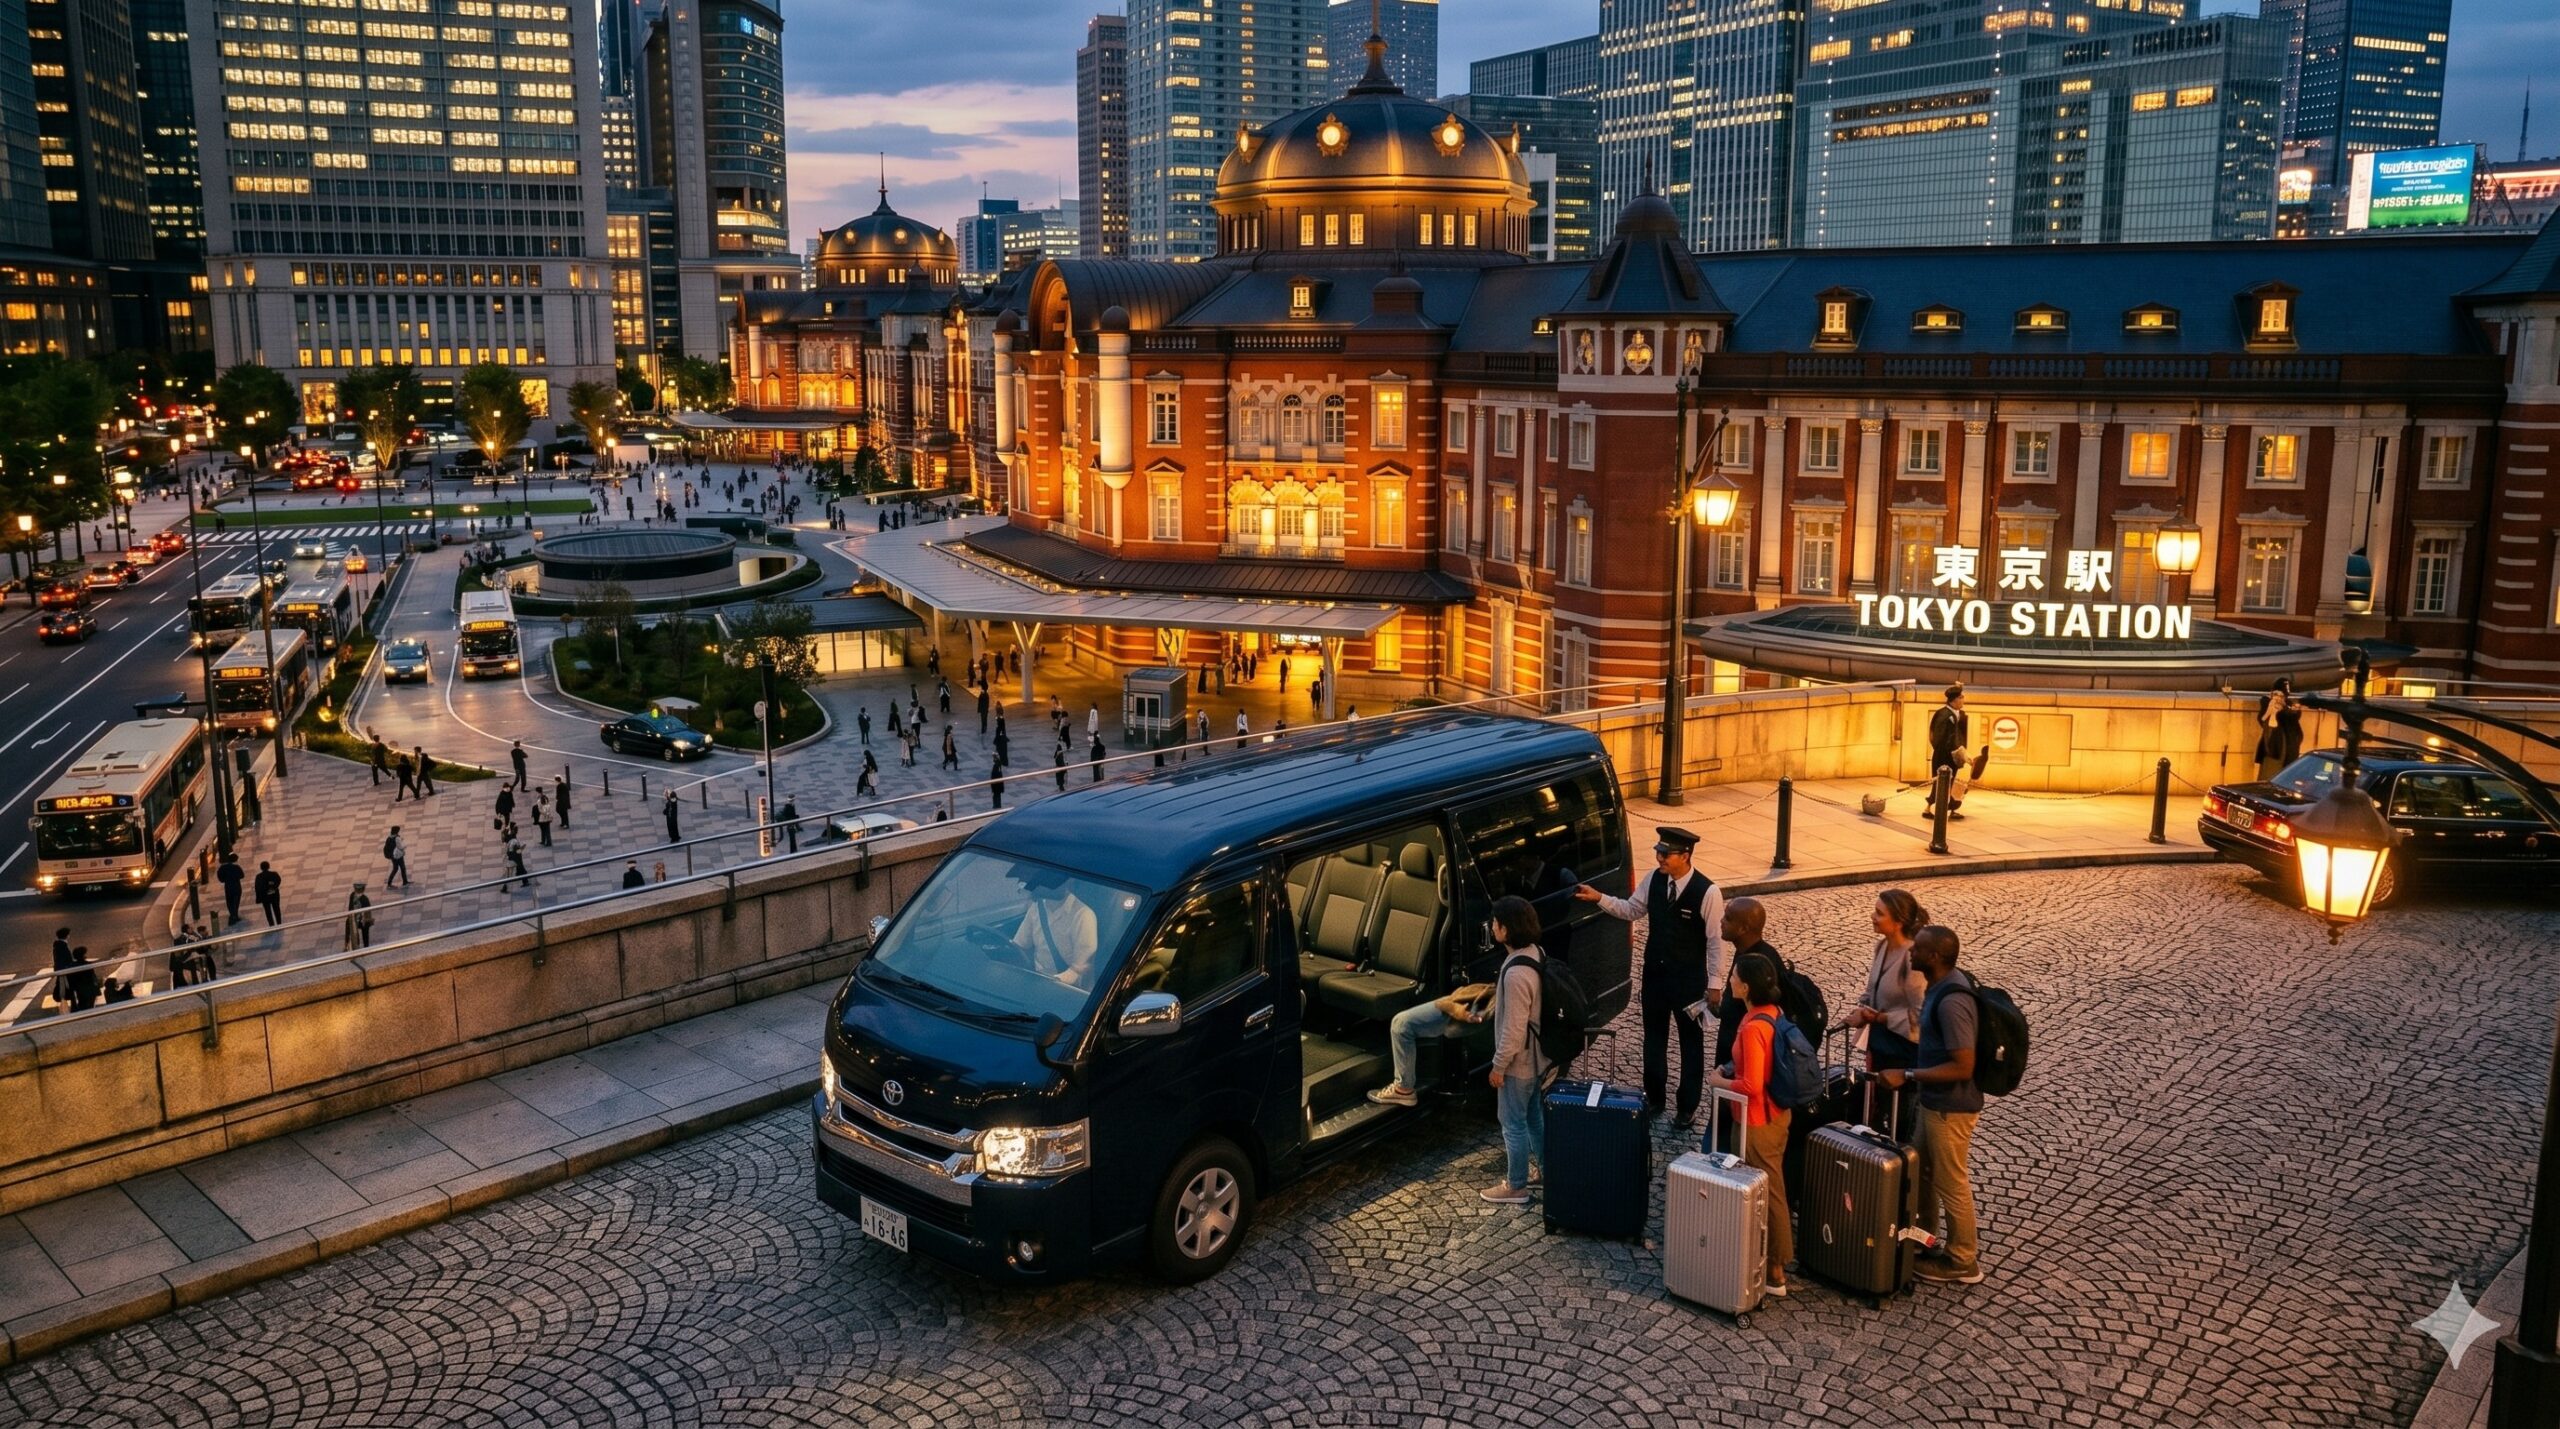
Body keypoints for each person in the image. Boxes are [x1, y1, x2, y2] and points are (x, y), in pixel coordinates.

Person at [1575, 827, 1724, 1128]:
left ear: (1685, 855)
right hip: (1655, 977)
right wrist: (1599, 898)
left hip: (1688, 982)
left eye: (1665, 854)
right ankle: (1655, 1097)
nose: (1659, 858)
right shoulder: (1654, 880)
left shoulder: (1708, 892)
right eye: (1658, 852)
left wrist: (1715, 984)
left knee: (1690, 1044)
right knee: (1653, 1041)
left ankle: (1687, 1105)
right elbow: (1631, 909)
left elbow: (1715, 941)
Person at [1878, 925, 1984, 1285]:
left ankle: (1962, 1260)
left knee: (1950, 1181)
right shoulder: (1939, 986)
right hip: (1933, 1104)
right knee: (1922, 1171)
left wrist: (1907, 1075)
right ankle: (1923, 1240)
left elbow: (1963, 1066)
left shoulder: (1953, 1001)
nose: (1911, 953)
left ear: (1935, 957)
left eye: (1919, 950)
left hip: (1950, 1109)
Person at [1704, 950, 1794, 1297]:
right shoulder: (1770, 1013)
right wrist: (1730, 1066)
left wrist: (1718, 1081)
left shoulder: (1755, 1026)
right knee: (1769, 1188)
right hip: (1772, 1115)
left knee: (1770, 1192)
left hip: (1758, 1121)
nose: (1730, 981)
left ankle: (1776, 1269)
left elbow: (1751, 1086)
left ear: (1747, 986)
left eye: (1735, 977)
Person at [1481, 895, 1550, 1205]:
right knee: (1534, 1118)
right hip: (1538, 1060)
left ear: (1505, 930)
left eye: (1496, 923)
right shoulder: (1536, 953)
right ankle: (1548, 1172)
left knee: (1512, 1123)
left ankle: (1516, 1185)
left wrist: (1498, 1067)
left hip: (1519, 1065)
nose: (1492, 927)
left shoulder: (1515, 973)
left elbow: (1513, 1030)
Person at [1845, 889, 1929, 1128]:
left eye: (1879, 913)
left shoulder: (1913, 960)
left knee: (1898, 1118)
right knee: (1879, 1109)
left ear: (1899, 921)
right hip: (1881, 1046)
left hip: (1903, 1052)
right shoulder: (1882, 947)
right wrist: (1862, 1010)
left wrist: (1880, 1017)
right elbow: (1873, 990)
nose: (1873, 916)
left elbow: (1921, 1017)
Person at [1369, 974, 1494, 1106]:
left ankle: (1403, 1089)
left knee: (1401, 1024)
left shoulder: (1512, 974)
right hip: (1479, 992)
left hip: (1484, 1001)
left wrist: (1499, 1067)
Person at [1012, 874, 1098, 985]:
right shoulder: (1036, 908)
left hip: (1066, 990)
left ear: (1067, 882)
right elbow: (1020, 946)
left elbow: (1079, 971)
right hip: (1037, 980)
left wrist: (1047, 983)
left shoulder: (1084, 915)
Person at [1926, 685, 1969, 820]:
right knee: (1941, 784)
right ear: (1954, 700)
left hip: (1952, 755)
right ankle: (1930, 808)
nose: (1963, 700)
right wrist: (1957, 753)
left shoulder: (1956, 714)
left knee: (1950, 784)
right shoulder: (1944, 715)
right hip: (1944, 756)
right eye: (1961, 697)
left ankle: (1948, 808)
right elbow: (1938, 738)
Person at [2256, 677, 2303, 779]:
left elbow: (2294, 714)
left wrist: (2284, 707)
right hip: (2271, 752)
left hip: (2286, 754)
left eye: (2281, 696)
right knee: (2267, 779)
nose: (2278, 698)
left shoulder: (2289, 711)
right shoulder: (2266, 704)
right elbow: (2262, 720)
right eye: (2275, 694)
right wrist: (2270, 711)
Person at [343, 883, 375, 950]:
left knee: (352, 925)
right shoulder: (365, 899)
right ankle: (365, 947)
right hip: (358, 920)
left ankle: (347, 944)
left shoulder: (353, 895)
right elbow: (368, 913)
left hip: (358, 919)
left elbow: (350, 908)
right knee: (365, 930)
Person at [217, 852, 245, 924]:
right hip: (236, 886)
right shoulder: (236, 867)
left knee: (229, 901)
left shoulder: (222, 867)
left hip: (228, 886)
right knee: (236, 901)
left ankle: (232, 914)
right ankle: (234, 915)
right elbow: (242, 875)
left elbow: (220, 877)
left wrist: (224, 880)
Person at [254, 861, 283, 926]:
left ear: (261, 868)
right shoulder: (274, 874)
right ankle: (279, 923)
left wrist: (258, 897)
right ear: (268, 866)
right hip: (274, 894)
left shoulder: (259, 876)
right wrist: (273, 888)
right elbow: (278, 881)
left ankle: (271, 924)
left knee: (267, 910)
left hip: (265, 896)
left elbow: (257, 887)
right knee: (276, 908)